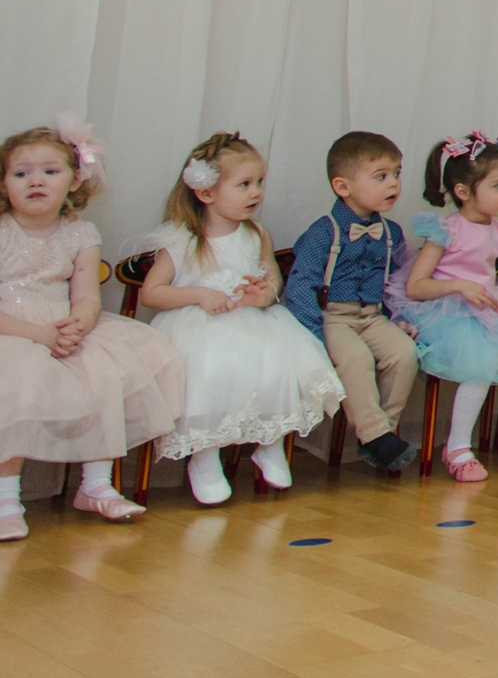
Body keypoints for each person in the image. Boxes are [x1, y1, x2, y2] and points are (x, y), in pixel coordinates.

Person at [135, 132, 344, 503]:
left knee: (277, 365)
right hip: (199, 326)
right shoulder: (183, 239)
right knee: (210, 371)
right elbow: (152, 293)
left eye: (259, 183)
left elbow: (272, 280)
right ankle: (204, 457)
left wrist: (264, 294)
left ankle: (269, 442)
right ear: (206, 192)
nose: (256, 193)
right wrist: (199, 294)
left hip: (252, 320)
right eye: (244, 184)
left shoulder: (256, 233)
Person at [0, 119, 185, 538]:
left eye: (50, 171)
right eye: (21, 173)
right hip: (11, 331)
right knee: (13, 392)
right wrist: (40, 335)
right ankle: (5, 499)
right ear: (4, 182)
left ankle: (96, 485)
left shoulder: (81, 233)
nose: (36, 181)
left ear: (74, 180)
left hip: (66, 326)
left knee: (105, 376)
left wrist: (78, 326)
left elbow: (86, 296)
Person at [393, 133, 498, 480]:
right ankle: (457, 448)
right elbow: (416, 286)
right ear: (463, 191)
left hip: (489, 313)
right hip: (446, 313)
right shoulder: (445, 231)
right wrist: (459, 285)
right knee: (481, 364)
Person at [281, 131, 422, 473]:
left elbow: (391, 283)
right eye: (381, 176)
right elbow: (300, 286)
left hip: (373, 316)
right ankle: (377, 436)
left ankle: (377, 437)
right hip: (333, 317)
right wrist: (315, 336)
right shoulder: (324, 231)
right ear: (343, 187)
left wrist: (396, 317)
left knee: (404, 353)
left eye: (397, 174)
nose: (394, 184)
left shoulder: (392, 233)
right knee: (356, 358)